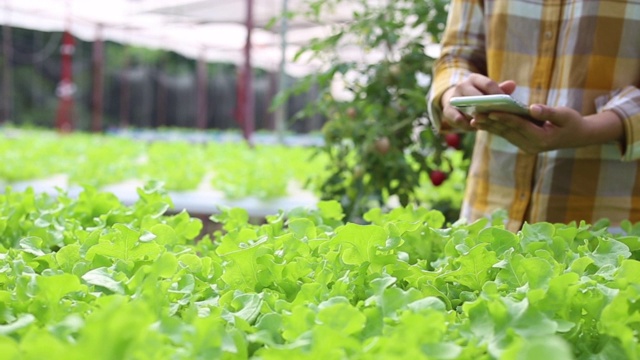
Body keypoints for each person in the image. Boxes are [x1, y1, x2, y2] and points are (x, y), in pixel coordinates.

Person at [427, 0, 640, 232]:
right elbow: (456, 55)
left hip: (614, 231)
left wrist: (596, 128)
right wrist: (456, 94)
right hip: (488, 220)